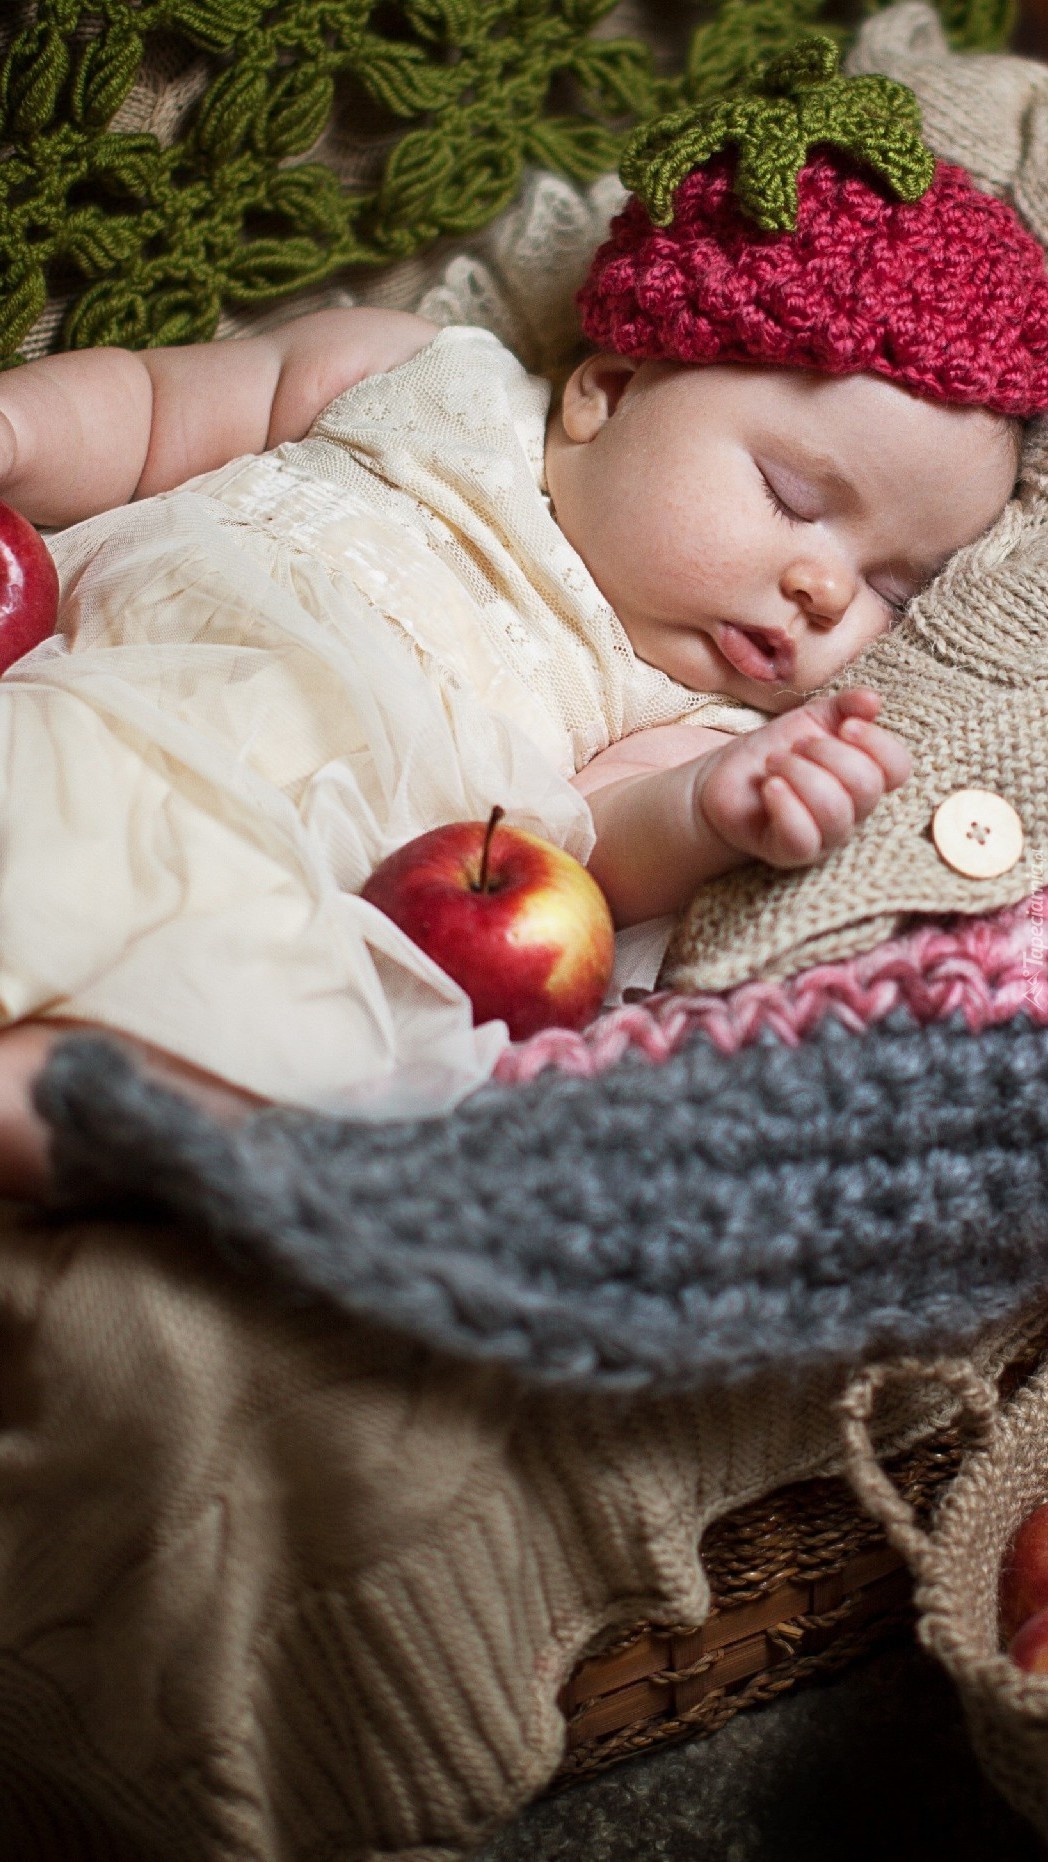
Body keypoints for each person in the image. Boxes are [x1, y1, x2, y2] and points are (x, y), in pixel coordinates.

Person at [0, 39, 1042, 1198]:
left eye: (892, 586)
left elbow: (600, 841)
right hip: (111, 692)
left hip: (315, 875)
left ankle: (90, 1120)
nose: (825, 588)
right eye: (792, 498)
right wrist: (24, 434)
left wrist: (723, 800)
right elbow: (153, 408)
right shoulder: (421, 378)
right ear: (609, 391)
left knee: (288, 1030)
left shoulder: (686, 709)